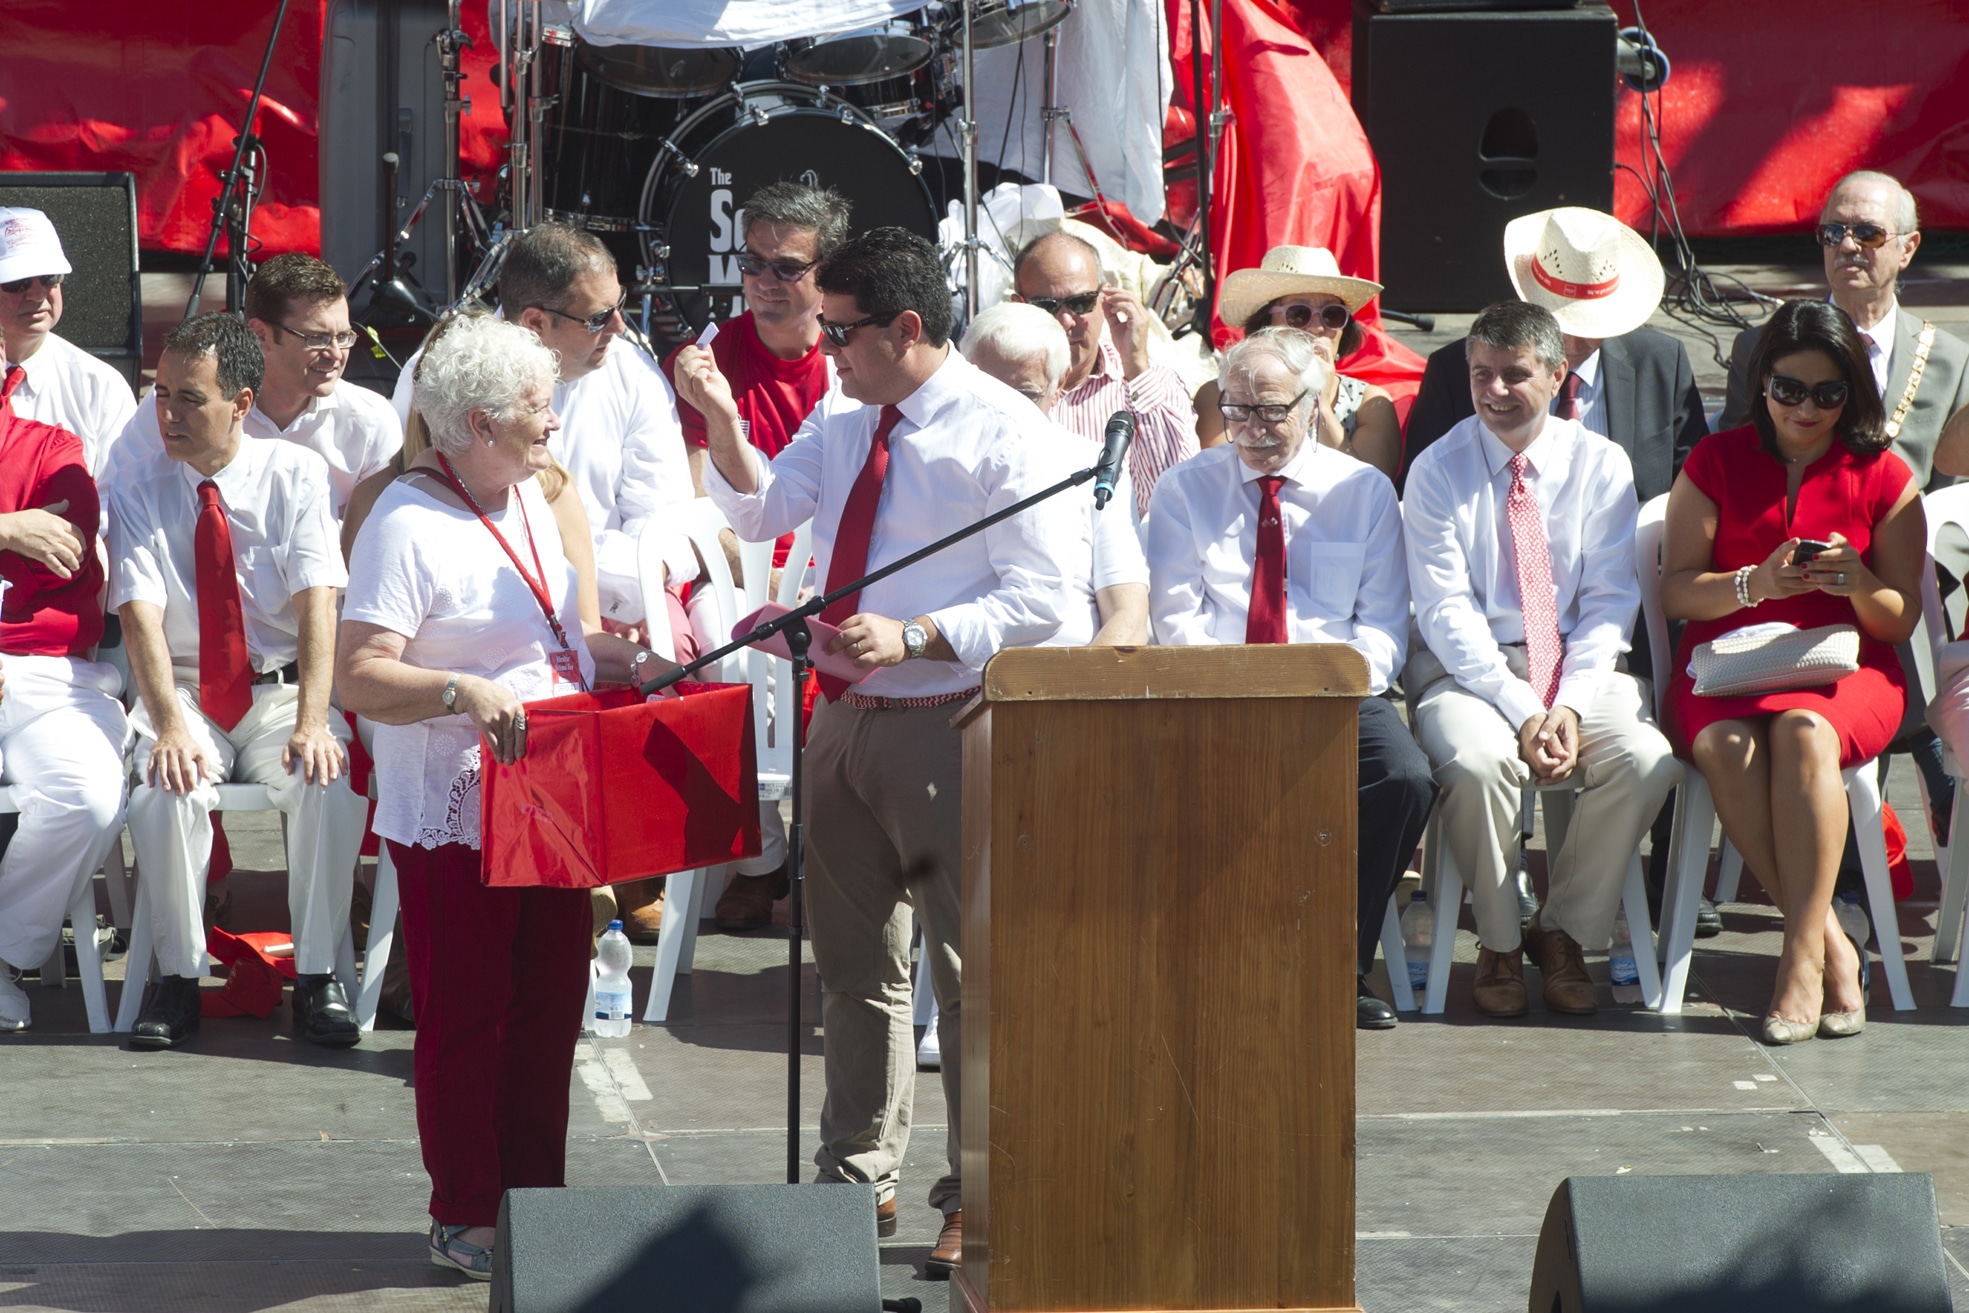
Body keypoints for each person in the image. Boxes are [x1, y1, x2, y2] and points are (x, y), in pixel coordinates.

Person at [675, 226, 1081, 1280]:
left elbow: (1044, 596)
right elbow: (763, 506)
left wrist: (919, 633)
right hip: (846, 716)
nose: (826, 348)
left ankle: (979, 1191)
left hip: (949, 720)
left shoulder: (1004, 431)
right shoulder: (847, 407)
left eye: (842, 330)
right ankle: (855, 1175)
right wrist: (720, 417)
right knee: (854, 969)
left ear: (905, 328)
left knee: (968, 975)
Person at [340, 313, 661, 1278]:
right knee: (468, 1012)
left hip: (547, 790)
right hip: (457, 803)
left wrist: (618, 658)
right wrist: (458, 691)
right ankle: (467, 1210)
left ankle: (534, 1202)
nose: (554, 421)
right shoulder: (405, 520)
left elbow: (542, 638)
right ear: (477, 423)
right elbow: (359, 675)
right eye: (536, 406)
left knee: (549, 1006)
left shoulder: (524, 495)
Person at [1147, 327, 1434, 1029]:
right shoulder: (1186, 488)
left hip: (1331, 693)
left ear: (1313, 404)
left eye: (1271, 410)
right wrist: (1239, 693)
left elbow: (1380, 630)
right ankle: (1208, 960)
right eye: (1237, 410)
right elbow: (1175, 623)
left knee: (1402, 776)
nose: (1252, 428)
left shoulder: (1361, 490)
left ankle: (1338, 964)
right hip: (1215, 692)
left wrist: (1319, 692)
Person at [1402, 300, 1682, 1019]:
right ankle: (1498, 942)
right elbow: (1444, 613)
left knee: (1646, 759)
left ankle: (1561, 931)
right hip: (1471, 669)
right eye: (1480, 374)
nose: (1494, 391)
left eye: (1514, 374)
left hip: (1578, 663)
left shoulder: (1600, 462)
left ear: (1558, 375)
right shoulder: (1436, 468)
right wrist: (1526, 709)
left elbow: (1610, 600)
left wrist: (1570, 703)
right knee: (1474, 762)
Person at [1662, 300, 1923, 1044]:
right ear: (1761, 384)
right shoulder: (1716, 460)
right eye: (1788, 389)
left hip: (1846, 666)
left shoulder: (1883, 474)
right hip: (1727, 664)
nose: (1805, 409)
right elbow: (1676, 590)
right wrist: (1757, 584)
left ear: (1852, 393)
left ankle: (1797, 963)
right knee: (1726, 744)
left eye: (1827, 393)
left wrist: (1857, 581)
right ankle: (1828, 945)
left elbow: (1898, 618)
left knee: (1804, 731)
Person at [107, 313, 369, 1049]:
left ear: (241, 404)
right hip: (185, 690)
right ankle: (178, 977)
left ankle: (316, 974)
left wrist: (313, 721)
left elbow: (319, 604)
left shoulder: (294, 474)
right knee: (164, 787)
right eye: (161, 395)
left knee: (326, 777)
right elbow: (139, 618)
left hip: (280, 689)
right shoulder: (138, 484)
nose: (168, 414)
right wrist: (167, 725)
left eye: (190, 398)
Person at [663, 179, 845, 935]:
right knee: (722, 649)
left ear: (826, 277)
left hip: (835, 566)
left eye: (787, 267)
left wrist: (811, 574)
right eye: (753, 263)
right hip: (737, 564)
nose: (765, 281)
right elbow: (694, 499)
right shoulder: (707, 360)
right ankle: (761, 859)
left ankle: (827, 854)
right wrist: (763, 570)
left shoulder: (851, 357)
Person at [389, 221, 698, 629]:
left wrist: (627, 603)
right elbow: (416, 511)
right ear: (535, 322)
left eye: (620, 303)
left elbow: (669, 524)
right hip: (479, 607)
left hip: (634, 602)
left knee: (676, 649)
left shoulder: (634, 373)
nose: (620, 326)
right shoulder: (441, 376)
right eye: (599, 317)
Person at [0, 335, 131, 1031]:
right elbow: (25, 549)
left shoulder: (52, 446)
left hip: (50, 675)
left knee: (87, 797)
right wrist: (6, 527)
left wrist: (26, 533)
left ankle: (1, 954)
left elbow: (64, 557)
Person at [1401, 208, 1706, 505]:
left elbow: (1696, 487)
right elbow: (1421, 490)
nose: (1572, 342)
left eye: (1589, 325)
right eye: (1558, 323)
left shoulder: (1661, 363)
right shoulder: (1457, 370)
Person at [1724, 172, 1969, 491]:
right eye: (1833, 232)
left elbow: (1955, 493)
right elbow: (1734, 468)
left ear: (1907, 249)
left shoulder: (1952, 361)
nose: (1848, 244)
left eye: (1868, 233)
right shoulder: (1763, 347)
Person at [111, 257, 405, 519]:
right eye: (316, 339)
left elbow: (382, 531)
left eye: (343, 337)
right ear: (261, 335)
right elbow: (117, 492)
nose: (336, 354)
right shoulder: (179, 405)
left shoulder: (371, 420)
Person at [961, 301, 1149, 647]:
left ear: (1058, 383)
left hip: (1068, 674)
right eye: (990, 394)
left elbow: (1128, 620)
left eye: (1025, 395)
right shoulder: (934, 458)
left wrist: (1068, 682)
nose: (1006, 412)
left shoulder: (1095, 467)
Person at [1012, 230, 1198, 516]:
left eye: (1080, 303)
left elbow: (1178, 498)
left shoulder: (1156, 383)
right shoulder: (993, 384)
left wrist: (1135, 366)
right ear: (1018, 306)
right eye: (1046, 306)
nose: (1065, 320)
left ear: (1105, 300)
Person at [1202, 245, 1403, 479]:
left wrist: (1322, 408)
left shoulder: (1369, 403)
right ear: (1266, 324)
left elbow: (1369, 490)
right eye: (1299, 314)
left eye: (1332, 315)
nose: (1317, 328)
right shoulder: (1220, 395)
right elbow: (1222, 480)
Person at [0, 207, 136, 478]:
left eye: (49, 278)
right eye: (18, 282)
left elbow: (120, 493)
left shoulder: (100, 387)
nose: (37, 294)